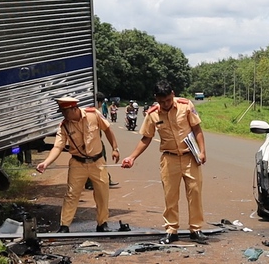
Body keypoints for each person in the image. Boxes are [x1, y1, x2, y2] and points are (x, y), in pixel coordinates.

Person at [121, 80, 208, 244]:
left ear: (173, 95)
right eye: (161, 101)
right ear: (156, 98)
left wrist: (202, 151)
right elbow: (146, 138)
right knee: (170, 196)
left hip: (190, 157)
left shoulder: (186, 105)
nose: (165, 104)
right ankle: (171, 230)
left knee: (195, 193)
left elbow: (197, 129)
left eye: (168, 100)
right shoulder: (153, 114)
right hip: (169, 159)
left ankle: (195, 230)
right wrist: (132, 157)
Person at [36, 96, 120, 233]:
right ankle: (64, 225)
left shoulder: (93, 115)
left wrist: (115, 148)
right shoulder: (64, 126)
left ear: (74, 108)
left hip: (97, 162)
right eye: (62, 112)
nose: (63, 115)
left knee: (102, 193)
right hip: (77, 163)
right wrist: (46, 163)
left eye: (65, 112)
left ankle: (102, 223)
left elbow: (107, 129)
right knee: (71, 194)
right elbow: (57, 147)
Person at [86, 92, 118, 190]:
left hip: (85, 144)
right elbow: (107, 129)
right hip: (95, 143)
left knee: (88, 163)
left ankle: (92, 182)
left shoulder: (82, 111)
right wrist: (115, 147)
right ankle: (102, 180)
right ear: (98, 102)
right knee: (101, 161)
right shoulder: (95, 113)